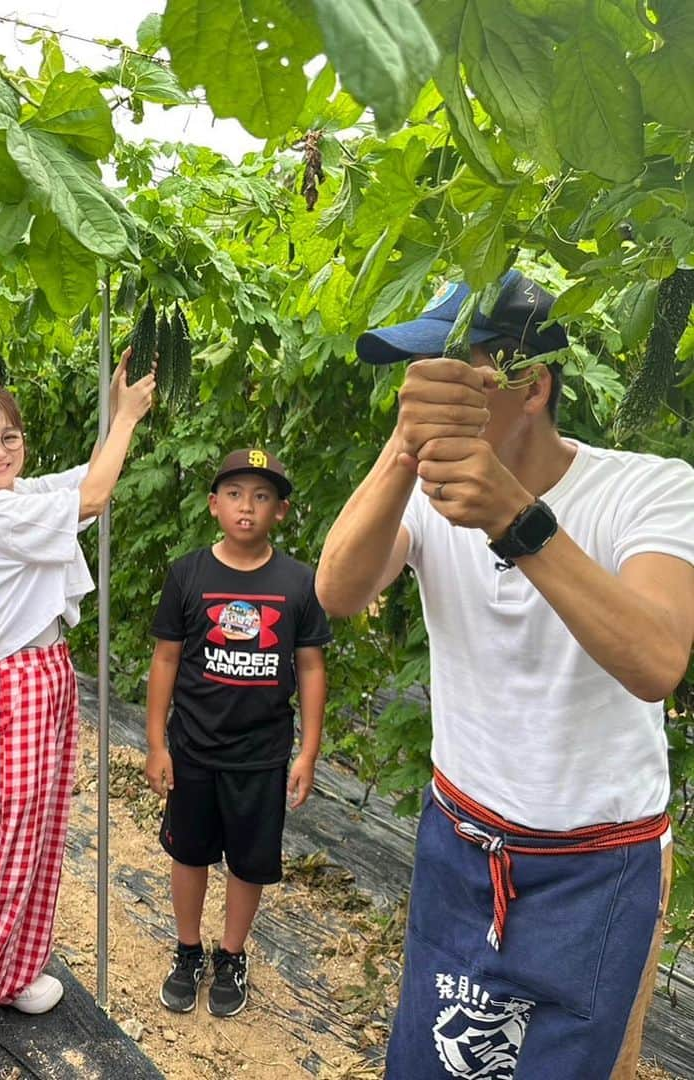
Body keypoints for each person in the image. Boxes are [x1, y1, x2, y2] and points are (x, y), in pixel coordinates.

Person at [314, 269, 694, 1079]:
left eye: (456, 373)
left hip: (599, 864)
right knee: (431, 1063)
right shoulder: (424, 492)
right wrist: (400, 450)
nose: (429, 391)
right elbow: (337, 590)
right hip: (462, 839)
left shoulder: (648, 489)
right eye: (421, 377)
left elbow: (657, 660)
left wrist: (516, 520)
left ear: (532, 387)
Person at [0, 356, 156, 1071]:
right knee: (4, 850)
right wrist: (132, 418)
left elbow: (86, 479)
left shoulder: (16, 495)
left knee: (45, 838)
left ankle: (14, 973)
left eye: (10, 436)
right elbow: (92, 498)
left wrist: (114, 418)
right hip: (15, 682)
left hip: (50, 672)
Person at [145, 449, 330, 1018]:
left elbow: (312, 667)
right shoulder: (189, 574)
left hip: (262, 755)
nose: (246, 506)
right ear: (213, 505)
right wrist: (157, 743)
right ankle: (187, 949)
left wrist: (309, 751)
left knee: (249, 863)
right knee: (189, 853)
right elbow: (167, 659)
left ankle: (231, 955)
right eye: (234, 494)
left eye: (261, 496)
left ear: (280, 510)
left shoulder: (299, 582)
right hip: (194, 748)